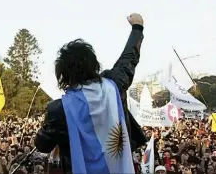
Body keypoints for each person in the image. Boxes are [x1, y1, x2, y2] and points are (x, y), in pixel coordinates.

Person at [34, 13, 147, 173]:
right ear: (94, 63)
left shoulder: (59, 109)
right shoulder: (114, 84)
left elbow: (42, 145)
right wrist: (137, 27)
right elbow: (129, 58)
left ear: (63, 73)